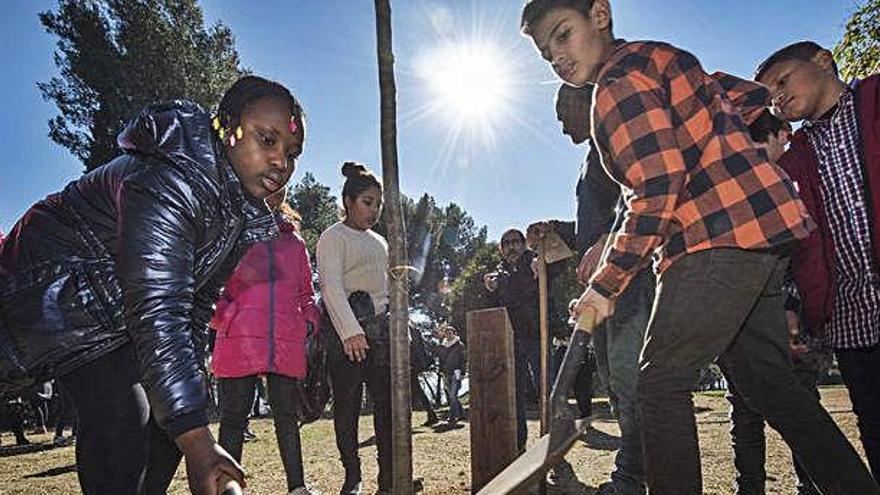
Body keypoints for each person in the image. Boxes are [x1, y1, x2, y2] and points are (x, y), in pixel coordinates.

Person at [521, 1, 879, 493]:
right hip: (765, 237)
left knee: (659, 385)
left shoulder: (617, 85)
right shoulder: (662, 58)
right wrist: (754, 144)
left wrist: (604, 286)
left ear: (600, 14)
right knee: (770, 385)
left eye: (562, 36)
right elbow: (753, 98)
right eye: (545, 53)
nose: (556, 58)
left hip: (713, 238)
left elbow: (658, 186)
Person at [0, 75, 305, 494]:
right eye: (266, 140)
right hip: (56, 287)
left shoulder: (239, 220)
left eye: (292, 153)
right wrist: (200, 441)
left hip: (115, 311)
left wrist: (190, 419)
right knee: (124, 417)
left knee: (169, 426)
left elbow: (193, 315)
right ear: (227, 127)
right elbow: (157, 310)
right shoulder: (171, 179)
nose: (281, 162)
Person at [757, 41, 880, 483]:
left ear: (824, 61)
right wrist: (794, 305)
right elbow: (798, 245)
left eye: (783, 80)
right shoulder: (793, 159)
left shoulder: (874, 102)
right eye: (769, 93)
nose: (777, 97)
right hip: (853, 322)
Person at [723, 110, 830, 494]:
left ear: (780, 136)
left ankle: (811, 485)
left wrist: (794, 310)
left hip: (795, 318)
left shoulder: (799, 183)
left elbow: (807, 254)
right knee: (746, 412)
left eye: (761, 145)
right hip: (741, 322)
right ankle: (749, 487)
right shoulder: (734, 188)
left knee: (800, 405)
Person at [209, 188, 320, 495]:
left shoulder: (294, 242)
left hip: (284, 339)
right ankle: (225, 490)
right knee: (233, 420)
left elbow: (306, 292)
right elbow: (210, 281)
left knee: (287, 417)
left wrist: (309, 321)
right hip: (238, 337)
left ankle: (297, 488)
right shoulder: (230, 228)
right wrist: (225, 317)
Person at [317, 162, 393, 495]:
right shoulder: (332, 237)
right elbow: (330, 287)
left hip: (380, 334)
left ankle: (389, 477)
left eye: (378, 203)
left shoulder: (382, 242)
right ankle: (353, 477)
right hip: (344, 334)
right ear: (348, 201)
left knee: (387, 408)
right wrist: (350, 332)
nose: (374, 210)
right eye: (367, 201)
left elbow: (387, 291)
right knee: (346, 409)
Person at [484, 228, 560, 451]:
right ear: (501, 249)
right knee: (514, 392)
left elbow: (563, 263)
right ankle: (519, 443)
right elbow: (494, 310)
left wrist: (543, 265)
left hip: (539, 337)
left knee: (547, 388)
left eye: (515, 242)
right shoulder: (500, 276)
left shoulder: (536, 263)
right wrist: (489, 290)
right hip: (513, 342)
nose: (511, 247)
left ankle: (552, 441)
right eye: (506, 243)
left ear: (524, 244)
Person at [434, 325, 466, 425]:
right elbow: (440, 360)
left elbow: (463, 360)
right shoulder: (442, 346)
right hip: (446, 373)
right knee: (453, 396)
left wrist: (462, 373)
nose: (448, 335)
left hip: (456, 373)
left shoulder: (459, 345)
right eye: (447, 333)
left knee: (452, 395)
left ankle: (452, 417)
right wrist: (440, 371)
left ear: (454, 333)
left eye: (450, 333)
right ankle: (461, 414)